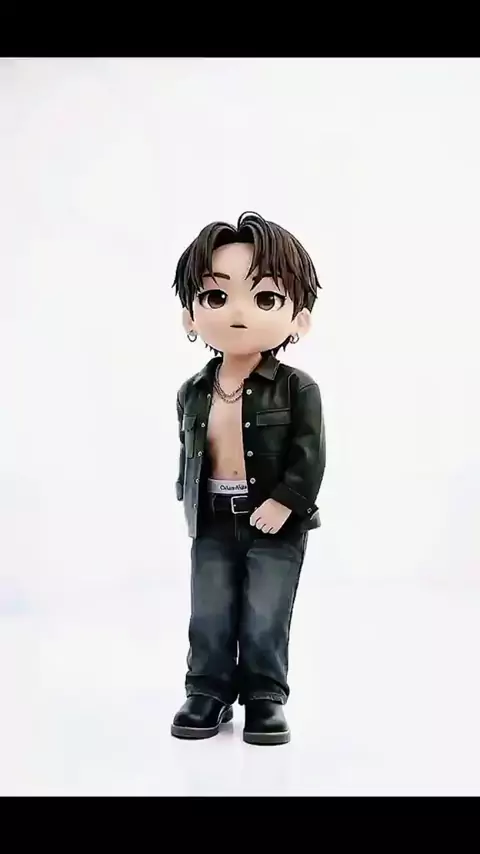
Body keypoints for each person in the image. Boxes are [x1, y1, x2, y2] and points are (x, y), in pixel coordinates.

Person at [170, 211, 326, 745]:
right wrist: (188, 502)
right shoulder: (193, 390)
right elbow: (191, 453)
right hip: (212, 517)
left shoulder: (298, 389)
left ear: (298, 319)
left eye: (265, 298)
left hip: (276, 522)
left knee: (266, 612)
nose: (238, 312)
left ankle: (264, 695)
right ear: (190, 316)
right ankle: (207, 690)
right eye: (216, 296)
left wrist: (286, 501)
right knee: (209, 609)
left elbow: (310, 455)